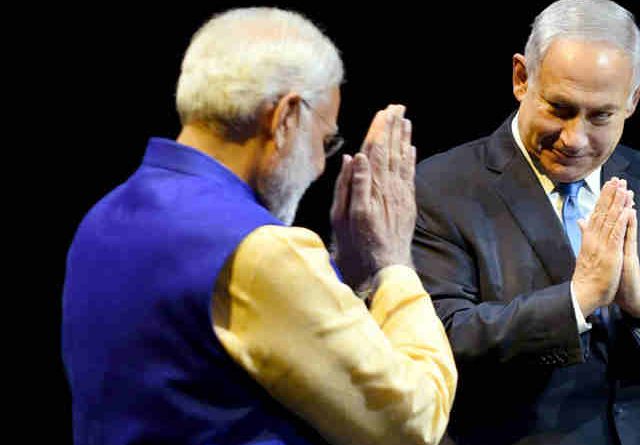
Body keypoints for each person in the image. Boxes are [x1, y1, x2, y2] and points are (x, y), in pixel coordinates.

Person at [62, 7, 456, 445]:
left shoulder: (102, 218)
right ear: (286, 117)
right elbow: (412, 424)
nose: (322, 165)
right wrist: (394, 264)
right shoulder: (260, 248)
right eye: (325, 141)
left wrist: (344, 275)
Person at [411, 1, 640, 444]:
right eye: (559, 108)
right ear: (521, 78)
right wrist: (577, 299)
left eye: (601, 115)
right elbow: (439, 340)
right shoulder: (438, 189)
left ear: (635, 98)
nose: (574, 139)